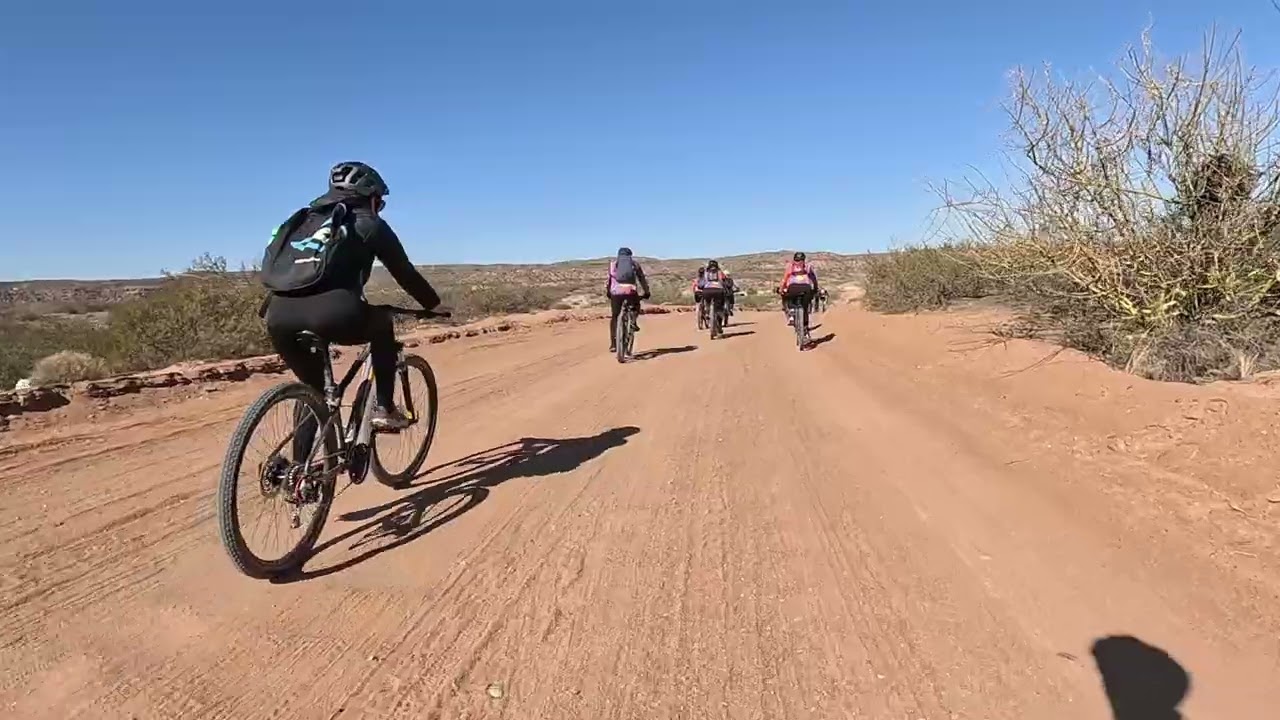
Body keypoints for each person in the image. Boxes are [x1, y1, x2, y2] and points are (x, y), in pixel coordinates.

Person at [264, 161, 441, 432]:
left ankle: (301, 471)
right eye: (380, 202)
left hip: (278, 316)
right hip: (334, 312)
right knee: (382, 324)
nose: (379, 208)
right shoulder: (368, 223)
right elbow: (405, 274)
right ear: (370, 197)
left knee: (314, 391)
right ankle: (384, 407)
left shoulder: (304, 220)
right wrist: (434, 305)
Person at [606, 247, 651, 352]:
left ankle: (613, 344)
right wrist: (646, 292)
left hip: (615, 293)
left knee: (615, 316)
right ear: (630, 255)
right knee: (636, 305)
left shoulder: (613, 264)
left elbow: (609, 281)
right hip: (630, 292)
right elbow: (641, 279)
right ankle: (633, 322)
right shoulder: (634, 264)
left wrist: (609, 293)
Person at [778, 251, 819, 336]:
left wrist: (781, 289)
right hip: (806, 288)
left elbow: (785, 279)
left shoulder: (790, 267)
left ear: (794, 259)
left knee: (789, 298)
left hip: (793, 287)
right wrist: (815, 289)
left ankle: (792, 312)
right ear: (804, 259)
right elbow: (814, 280)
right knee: (805, 307)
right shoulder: (808, 267)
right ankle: (805, 328)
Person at [698, 259, 730, 331]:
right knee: (720, 308)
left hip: (707, 291)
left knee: (707, 302)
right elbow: (725, 282)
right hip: (718, 290)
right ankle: (719, 326)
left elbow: (701, 284)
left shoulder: (705, 273)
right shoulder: (720, 272)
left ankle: (707, 312)